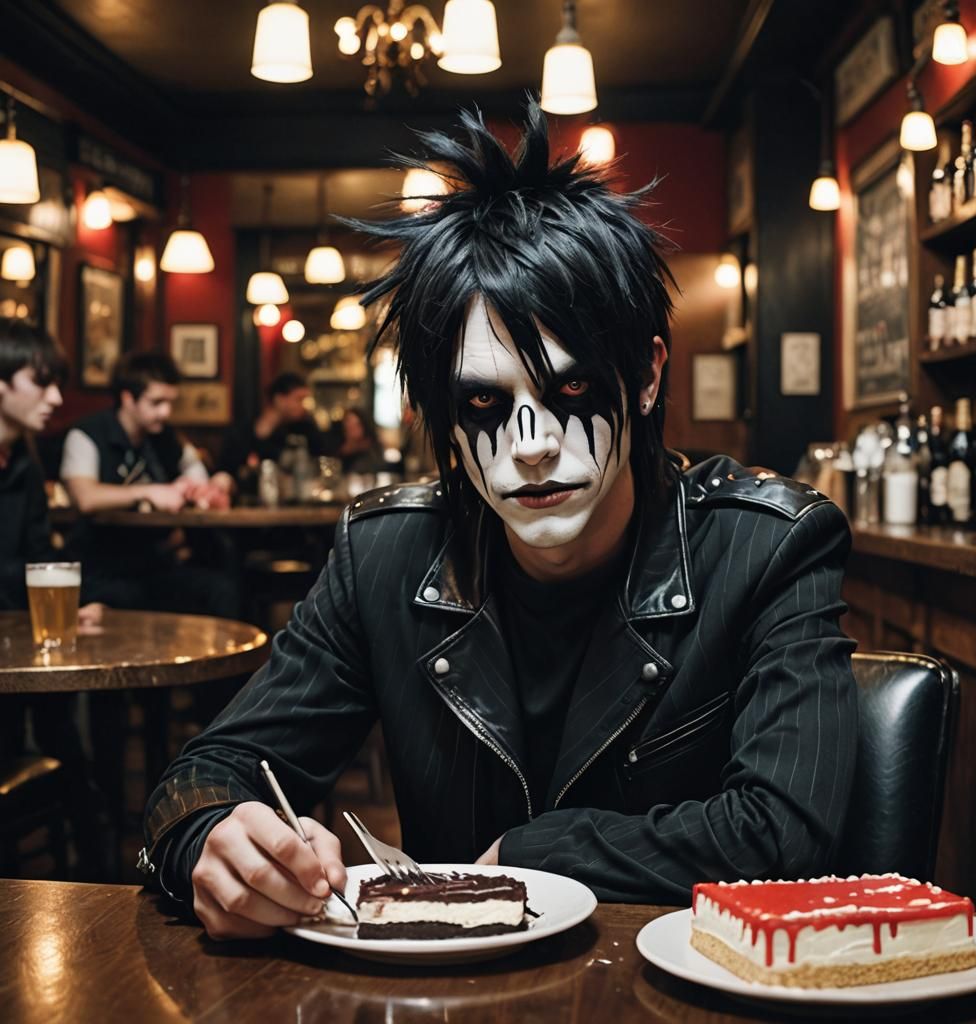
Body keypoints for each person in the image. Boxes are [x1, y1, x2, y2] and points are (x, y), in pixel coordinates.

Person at [142, 102, 857, 940]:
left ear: (648, 374)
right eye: (484, 401)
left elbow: (790, 833)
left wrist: (535, 852)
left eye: (573, 389)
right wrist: (211, 842)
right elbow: (205, 775)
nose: (530, 446)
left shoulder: (768, 546)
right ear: (442, 413)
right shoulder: (385, 558)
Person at [0, 317, 107, 874]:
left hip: (25, 643)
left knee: (67, 736)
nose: (57, 397)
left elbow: (41, 553)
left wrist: (73, 602)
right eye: (40, 382)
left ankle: (99, 878)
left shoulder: (23, 461)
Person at [59, 351, 235, 614]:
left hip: (152, 564)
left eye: (170, 403)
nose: (166, 412)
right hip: (101, 569)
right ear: (128, 398)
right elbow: (85, 497)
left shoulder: (164, 437)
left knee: (221, 587)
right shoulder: (87, 434)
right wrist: (150, 492)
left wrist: (216, 485)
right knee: (130, 598)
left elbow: (198, 474)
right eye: (156, 402)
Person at [216, 371, 323, 488]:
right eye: (299, 399)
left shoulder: (305, 430)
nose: (303, 406)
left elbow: (320, 464)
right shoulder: (242, 432)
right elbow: (224, 472)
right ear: (279, 399)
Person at [336, 407, 385, 475]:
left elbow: (377, 468)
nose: (351, 430)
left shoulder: (373, 447)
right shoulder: (339, 447)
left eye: (355, 425)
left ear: (363, 425)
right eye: (349, 426)